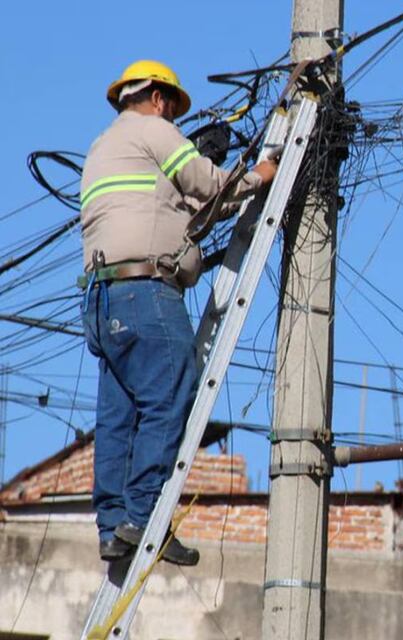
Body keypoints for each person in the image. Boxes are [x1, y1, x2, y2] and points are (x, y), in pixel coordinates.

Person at [79, 60, 277, 565]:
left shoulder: (103, 148)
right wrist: (260, 174)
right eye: (173, 108)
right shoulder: (157, 132)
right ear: (161, 99)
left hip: (102, 300)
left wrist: (224, 201)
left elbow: (184, 213)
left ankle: (113, 527)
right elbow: (209, 183)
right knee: (171, 396)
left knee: (120, 414)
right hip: (145, 293)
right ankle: (143, 517)